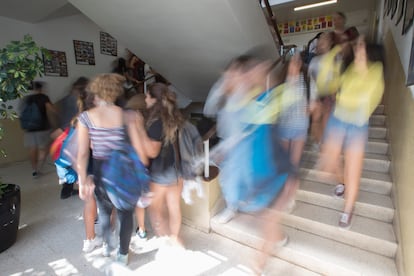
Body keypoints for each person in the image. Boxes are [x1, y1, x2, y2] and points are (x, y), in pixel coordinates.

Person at [77, 73, 149, 264]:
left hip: (101, 172)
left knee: (104, 211)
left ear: (96, 93)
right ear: (116, 92)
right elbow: (140, 153)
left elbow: (83, 153)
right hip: (125, 172)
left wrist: (82, 179)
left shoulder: (85, 117)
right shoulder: (130, 116)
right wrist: (143, 176)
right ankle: (123, 255)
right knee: (126, 214)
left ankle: (108, 246)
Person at [317, 36, 385, 228]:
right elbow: (326, 84)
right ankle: (343, 183)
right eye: (357, 48)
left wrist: (342, 97)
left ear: (369, 52)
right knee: (331, 161)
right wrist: (333, 52)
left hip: (357, 123)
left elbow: (363, 96)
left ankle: (348, 209)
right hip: (338, 119)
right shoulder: (348, 70)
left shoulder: (376, 69)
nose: (357, 51)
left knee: (352, 169)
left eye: (361, 48)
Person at [139, 83, 185, 244]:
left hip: (160, 172)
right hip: (177, 169)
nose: (145, 98)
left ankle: (165, 240)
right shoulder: (174, 116)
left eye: (147, 95)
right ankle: (175, 238)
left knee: (155, 209)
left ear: (153, 99)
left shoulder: (157, 121)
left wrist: (139, 131)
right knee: (174, 207)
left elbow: (152, 152)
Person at [20, 81, 57, 177]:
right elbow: (51, 109)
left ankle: (34, 169)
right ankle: (39, 168)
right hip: (42, 128)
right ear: (41, 89)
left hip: (29, 128)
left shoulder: (27, 99)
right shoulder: (43, 97)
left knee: (32, 148)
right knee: (44, 148)